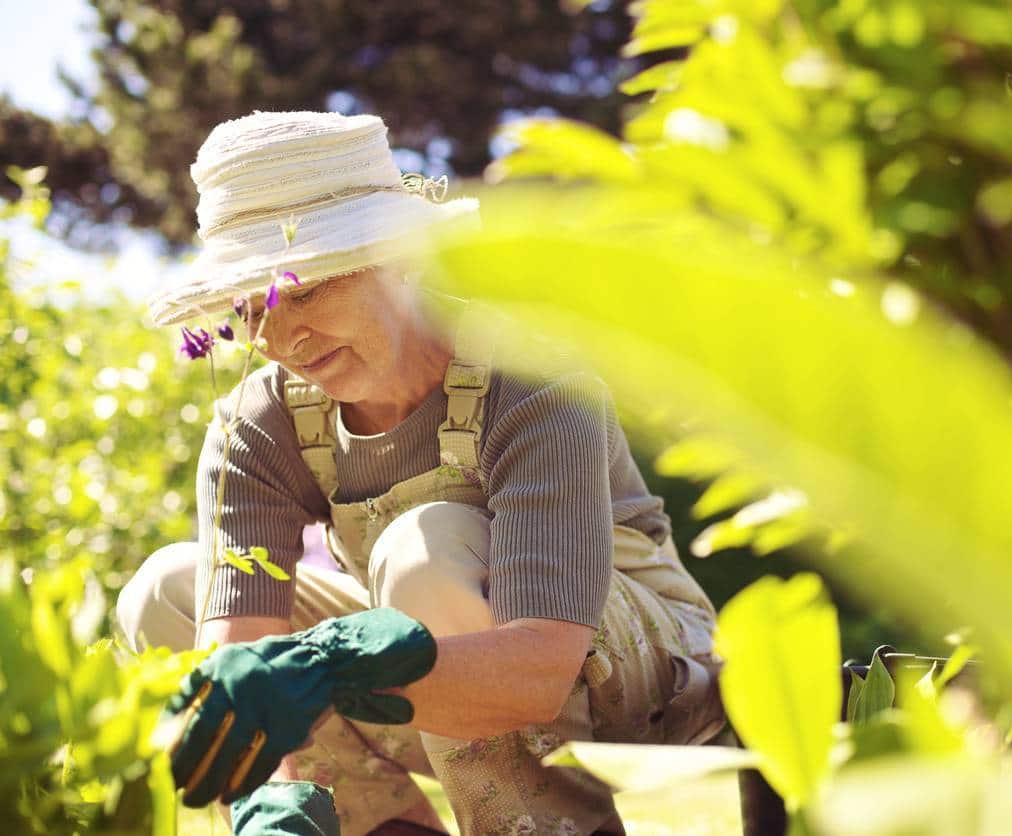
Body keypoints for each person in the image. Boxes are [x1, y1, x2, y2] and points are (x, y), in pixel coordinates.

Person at [117, 110, 726, 836]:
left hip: (630, 681)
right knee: (167, 590)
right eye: (251, 310)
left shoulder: (532, 379)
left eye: (303, 291)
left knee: (425, 551)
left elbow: (539, 670)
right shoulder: (257, 422)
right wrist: (266, 790)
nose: (277, 337)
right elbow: (239, 664)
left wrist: (325, 669)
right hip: (430, 690)